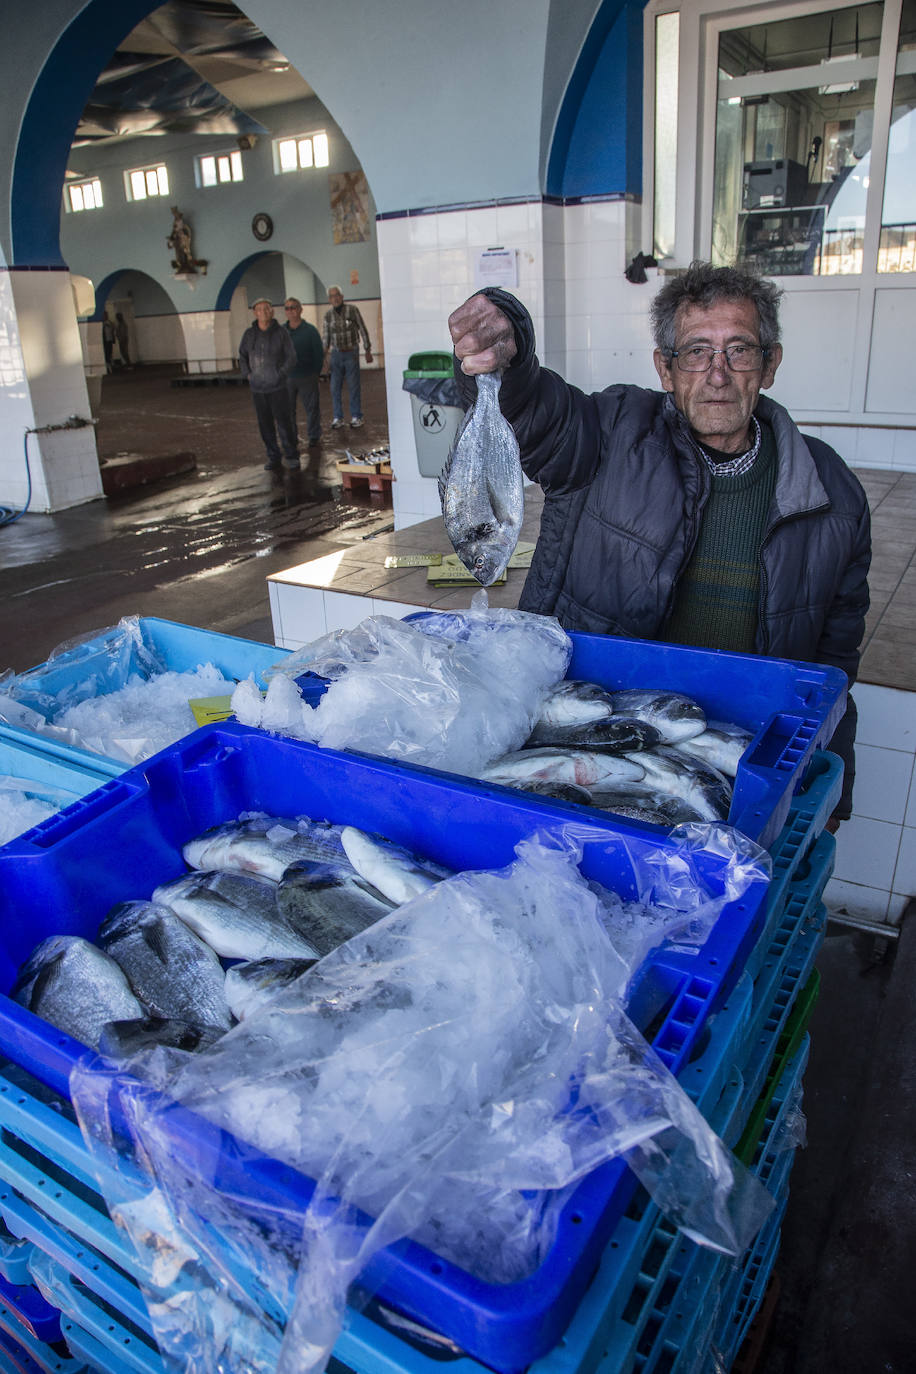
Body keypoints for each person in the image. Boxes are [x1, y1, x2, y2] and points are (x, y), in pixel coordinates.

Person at [447, 261, 871, 826]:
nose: (717, 373)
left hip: (724, 753)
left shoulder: (832, 491)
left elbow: (834, 659)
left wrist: (832, 774)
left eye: (739, 350)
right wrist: (509, 350)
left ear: (769, 365)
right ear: (665, 369)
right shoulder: (612, 430)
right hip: (585, 733)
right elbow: (538, 415)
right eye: (696, 352)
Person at [238, 298, 299, 472]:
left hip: (278, 388)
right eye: (260, 309)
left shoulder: (281, 333)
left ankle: (292, 455)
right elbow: (242, 356)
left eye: (267, 309)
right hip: (258, 389)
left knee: (284, 424)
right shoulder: (249, 335)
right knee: (265, 425)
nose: (264, 312)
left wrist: (280, 374)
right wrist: (248, 374)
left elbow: (291, 357)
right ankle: (273, 456)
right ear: (255, 313)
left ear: (272, 311)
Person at [321, 285, 373, 429]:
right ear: (329, 300)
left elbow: (362, 329)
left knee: (353, 386)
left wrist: (367, 350)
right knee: (334, 387)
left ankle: (357, 416)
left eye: (337, 295)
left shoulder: (352, 310)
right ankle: (338, 418)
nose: (335, 298)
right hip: (336, 354)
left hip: (351, 353)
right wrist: (323, 357)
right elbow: (326, 337)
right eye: (332, 296)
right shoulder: (327, 316)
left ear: (342, 296)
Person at [283, 298, 324, 447]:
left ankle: (314, 436)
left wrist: (315, 373)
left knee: (312, 408)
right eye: (287, 308)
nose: (290, 311)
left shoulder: (310, 331)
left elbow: (318, 354)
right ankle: (291, 437)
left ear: (300, 309)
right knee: (288, 411)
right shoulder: (281, 332)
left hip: (307, 376)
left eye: (293, 307)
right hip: (287, 378)